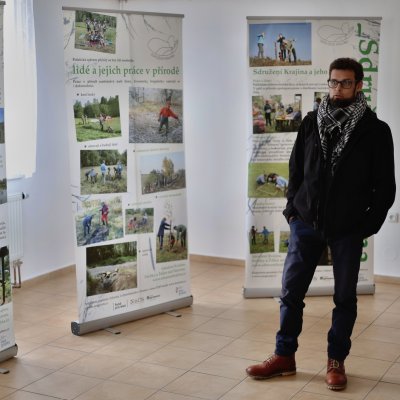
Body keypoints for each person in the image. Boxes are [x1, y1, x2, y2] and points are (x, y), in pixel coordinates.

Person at [246, 58, 396, 391]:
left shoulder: (376, 130)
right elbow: (295, 168)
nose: (338, 89)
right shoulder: (311, 122)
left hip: (347, 229)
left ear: (359, 85)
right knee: (291, 293)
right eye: (333, 82)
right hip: (305, 223)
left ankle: (336, 361)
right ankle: (284, 356)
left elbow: (385, 187)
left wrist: (365, 225)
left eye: (346, 83)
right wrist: (292, 211)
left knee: (344, 298)